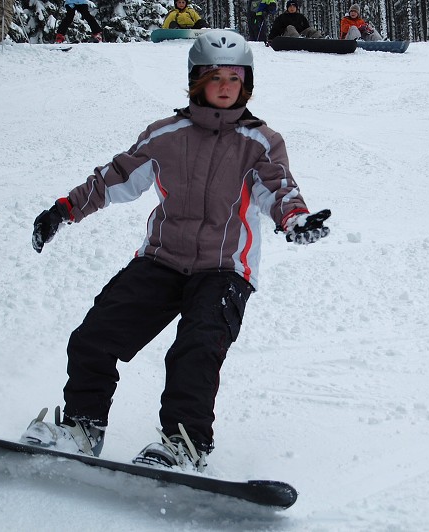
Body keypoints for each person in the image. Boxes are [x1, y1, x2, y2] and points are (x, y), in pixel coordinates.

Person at [21, 30, 331, 472]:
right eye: (215, 76)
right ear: (195, 80)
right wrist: (63, 210)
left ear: (247, 83)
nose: (225, 86)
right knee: (95, 335)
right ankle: (82, 427)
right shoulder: (165, 135)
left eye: (235, 77)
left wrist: (295, 219)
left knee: (196, 349)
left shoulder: (260, 141)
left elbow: (278, 188)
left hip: (224, 269)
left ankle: (184, 445)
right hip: (162, 259)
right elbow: (114, 178)